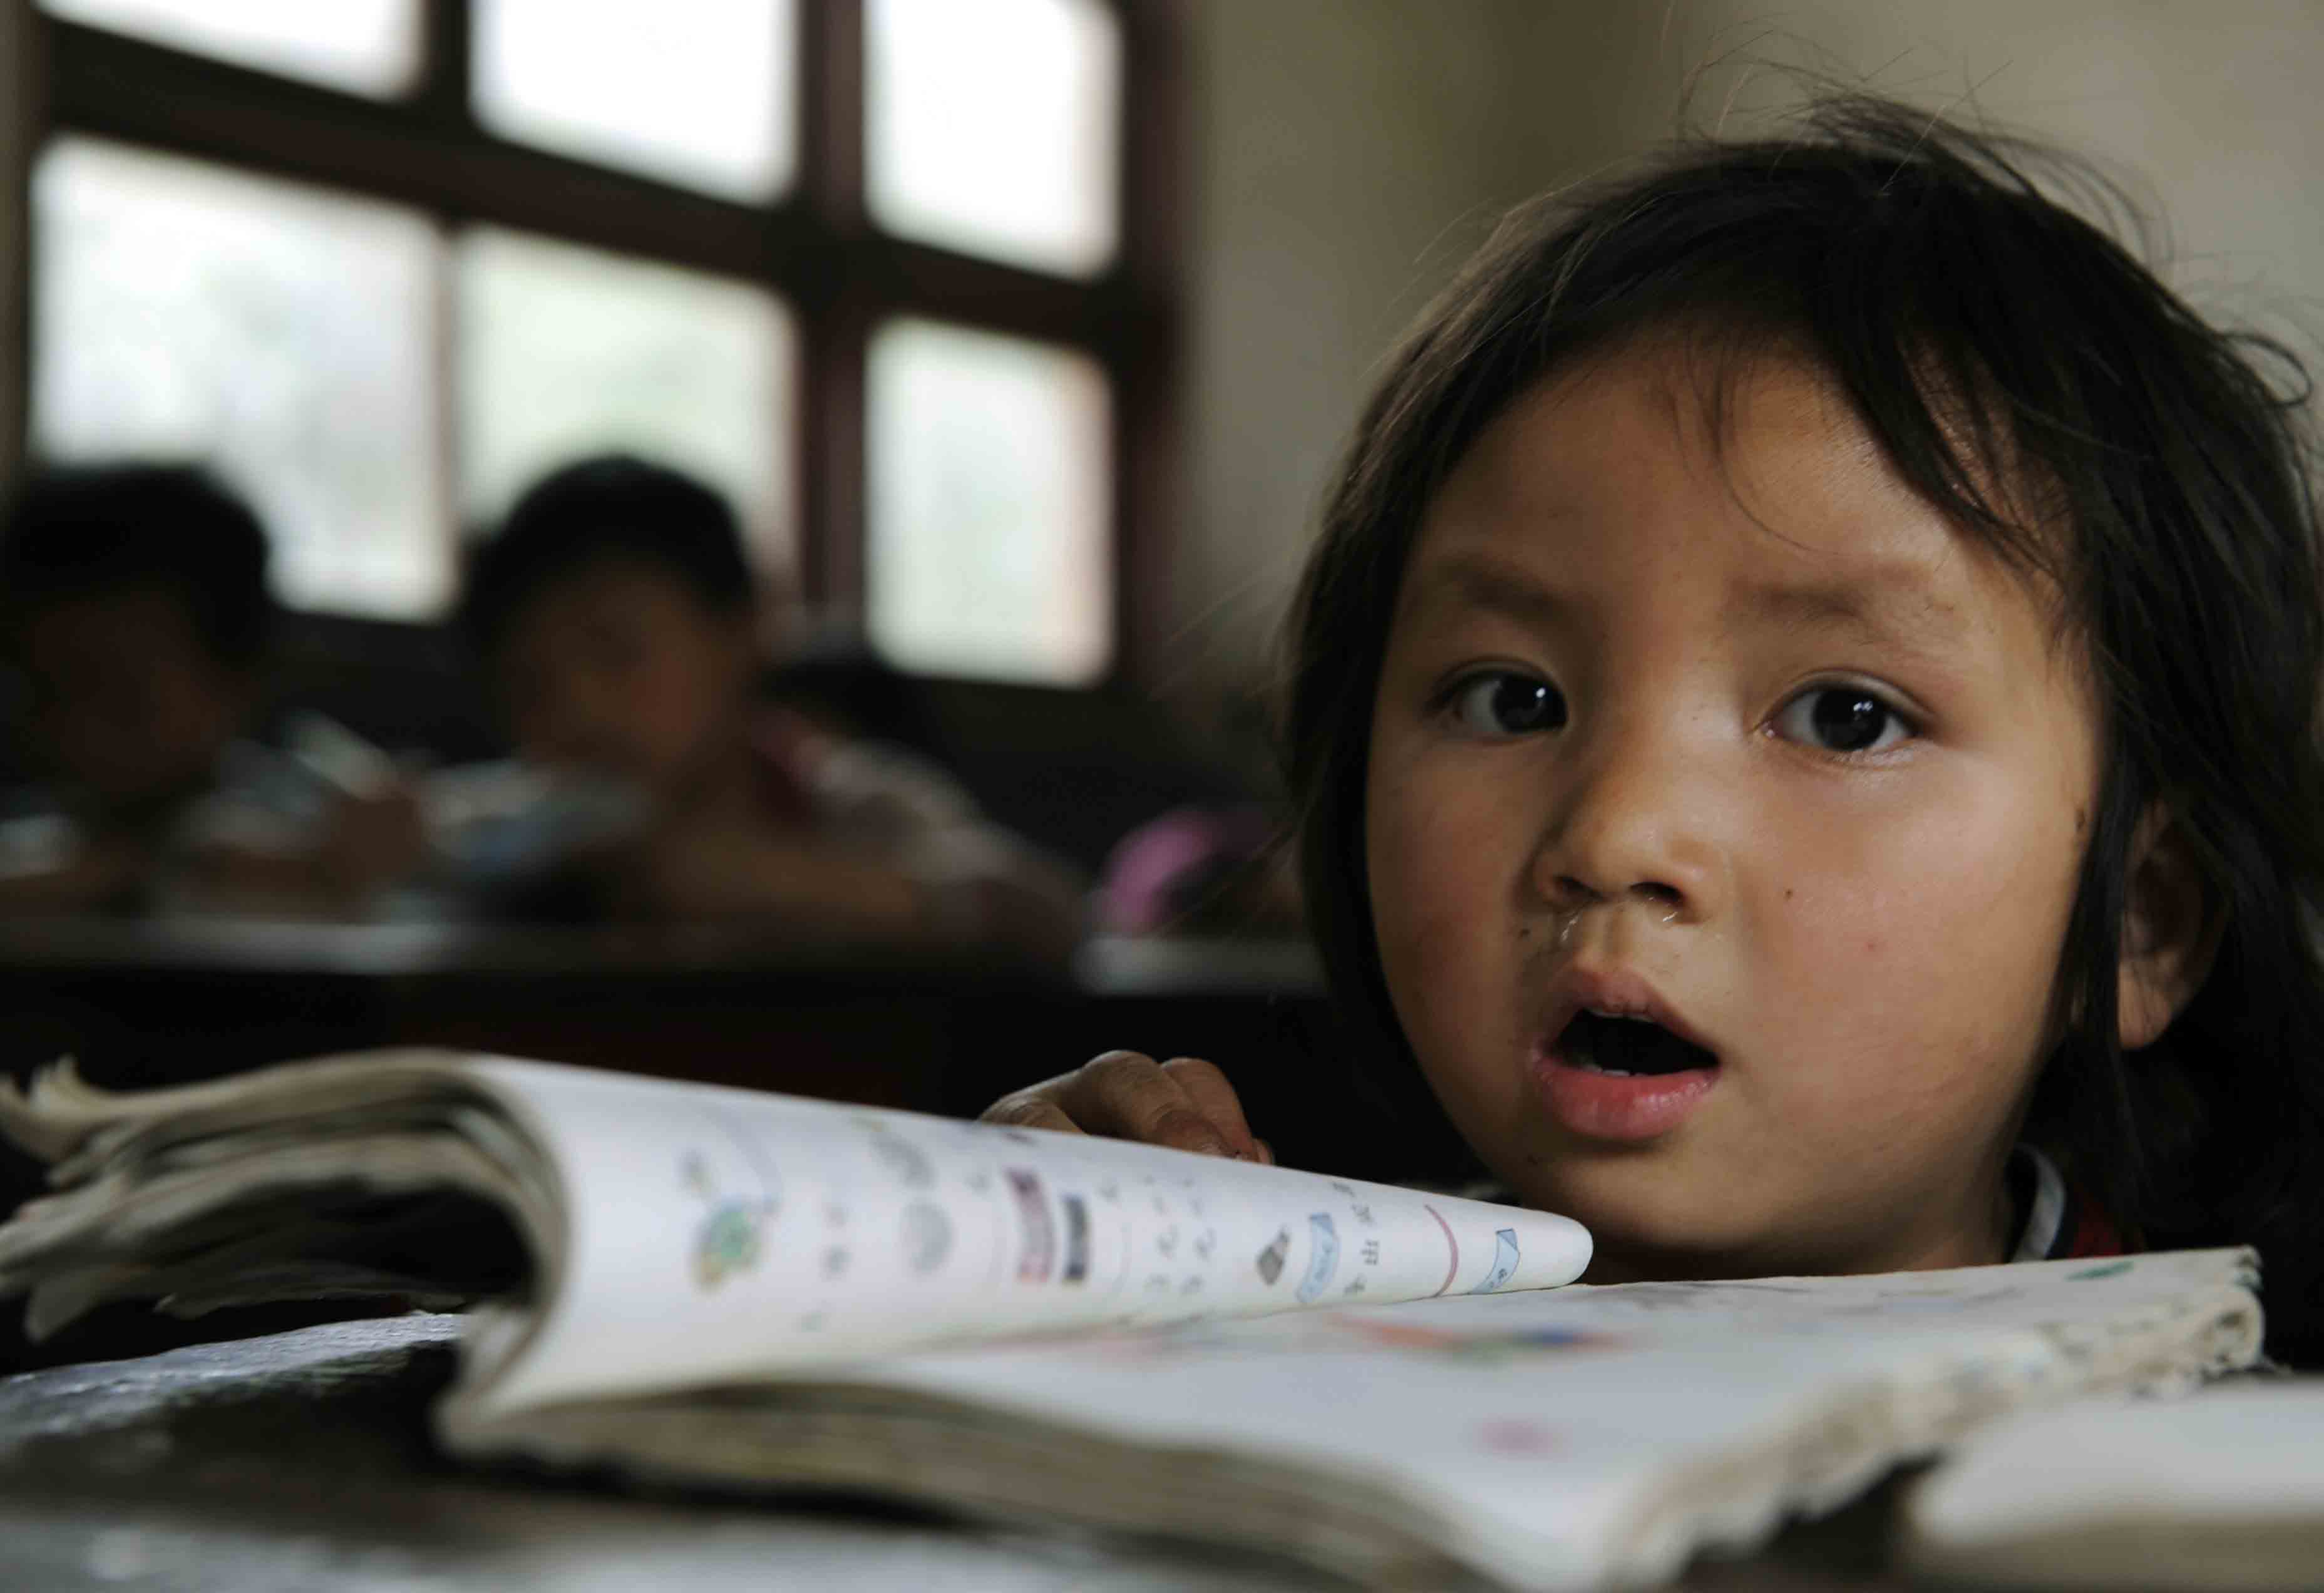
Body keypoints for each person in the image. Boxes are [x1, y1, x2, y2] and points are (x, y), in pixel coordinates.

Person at [982, 96, 2324, 1359]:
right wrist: (1010, 1283)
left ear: (2136, 923)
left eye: (1844, 717)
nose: (1614, 835)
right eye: (1512, 698)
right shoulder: (1278, 1316)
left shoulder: (2226, 1446)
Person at [456, 453, 1081, 953]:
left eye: (617, 652)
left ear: (741, 632)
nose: (578, 711)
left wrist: (777, 879)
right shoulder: (507, 825)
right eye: (531, 682)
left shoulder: (849, 804)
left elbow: (1045, 910)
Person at [0, 463, 424, 916]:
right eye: (43, 694)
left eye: (121, 699)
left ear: (239, 678)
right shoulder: (28, 837)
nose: (78, 734)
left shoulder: (304, 828)